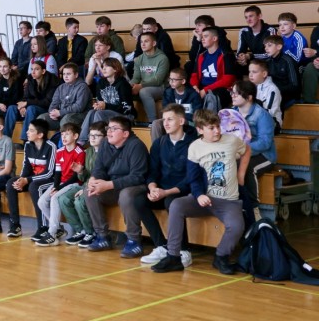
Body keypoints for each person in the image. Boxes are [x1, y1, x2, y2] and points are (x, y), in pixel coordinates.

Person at [152, 109, 249, 274]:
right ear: (200, 129)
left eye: (217, 126)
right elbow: (193, 177)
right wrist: (199, 195)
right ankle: (173, 256)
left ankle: (221, 257)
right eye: (211, 128)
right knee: (176, 205)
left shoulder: (232, 141)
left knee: (236, 226)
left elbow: (246, 150)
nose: (217, 131)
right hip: (204, 199)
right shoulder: (195, 147)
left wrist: (241, 174)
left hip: (229, 201)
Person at [136, 104, 196, 267]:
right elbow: (152, 171)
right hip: (162, 190)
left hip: (183, 191)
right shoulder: (159, 143)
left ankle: (183, 250)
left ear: (181, 121)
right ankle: (161, 246)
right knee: (138, 200)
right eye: (164, 120)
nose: (166, 123)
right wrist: (153, 188)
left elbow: (191, 178)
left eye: (170, 119)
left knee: (172, 203)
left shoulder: (193, 144)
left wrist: (166, 192)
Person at [84, 115, 149, 257]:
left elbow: (137, 177)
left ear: (125, 134)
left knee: (126, 195)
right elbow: (99, 167)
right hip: (113, 186)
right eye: (108, 128)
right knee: (89, 191)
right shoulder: (105, 143)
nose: (109, 132)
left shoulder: (136, 146)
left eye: (114, 129)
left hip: (136, 187)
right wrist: (94, 179)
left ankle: (134, 240)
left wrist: (108, 184)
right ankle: (102, 236)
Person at [230, 79, 276, 219]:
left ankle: (254, 208)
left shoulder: (262, 115)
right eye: (232, 92)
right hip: (238, 153)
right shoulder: (232, 112)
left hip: (264, 155)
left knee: (248, 167)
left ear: (249, 97)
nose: (233, 95)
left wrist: (242, 150)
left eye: (237, 93)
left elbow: (265, 143)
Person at [35, 123, 86, 246]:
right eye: (62, 134)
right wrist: (56, 186)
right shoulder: (59, 151)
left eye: (67, 134)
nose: (63, 137)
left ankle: (52, 234)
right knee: (41, 201)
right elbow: (57, 173)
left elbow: (75, 177)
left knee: (55, 198)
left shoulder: (80, 152)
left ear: (75, 136)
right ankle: (58, 229)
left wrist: (59, 188)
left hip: (74, 184)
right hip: (62, 183)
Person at [5, 118, 56, 240]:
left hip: (49, 180)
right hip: (32, 179)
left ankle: (43, 227)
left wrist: (27, 180)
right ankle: (15, 225)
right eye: (28, 129)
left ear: (40, 135)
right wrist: (22, 179)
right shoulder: (28, 145)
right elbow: (26, 166)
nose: (27, 132)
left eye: (31, 130)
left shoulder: (51, 146)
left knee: (34, 186)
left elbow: (49, 173)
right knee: (11, 183)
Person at [60, 121, 106, 248]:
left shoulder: (107, 152)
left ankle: (90, 232)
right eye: (91, 135)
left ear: (105, 137)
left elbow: (103, 176)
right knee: (63, 198)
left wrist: (85, 188)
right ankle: (80, 230)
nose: (92, 138)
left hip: (97, 187)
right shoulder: (88, 151)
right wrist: (80, 171)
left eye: (96, 135)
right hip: (85, 185)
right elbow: (84, 177)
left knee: (79, 201)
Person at [79, 58, 134, 144]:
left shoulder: (123, 84)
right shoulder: (101, 83)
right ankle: (82, 141)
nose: (103, 69)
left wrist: (106, 106)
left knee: (99, 113)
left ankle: (98, 140)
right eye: (102, 66)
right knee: (91, 112)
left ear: (115, 69)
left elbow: (127, 108)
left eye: (107, 66)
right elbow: (100, 101)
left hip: (125, 116)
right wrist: (97, 105)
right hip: (107, 114)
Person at [4, 60, 57, 141]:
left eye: (36, 69)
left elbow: (47, 102)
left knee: (31, 108)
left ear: (43, 71)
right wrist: (23, 107)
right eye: (32, 69)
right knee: (12, 108)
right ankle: (5, 139)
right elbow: (25, 97)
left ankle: (26, 141)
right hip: (30, 107)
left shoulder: (52, 81)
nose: (33, 72)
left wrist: (27, 103)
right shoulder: (31, 80)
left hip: (44, 109)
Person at [189, 26, 238, 111]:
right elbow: (194, 75)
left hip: (220, 90)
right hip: (202, 88)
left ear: (214, 38)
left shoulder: (226, 55)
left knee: (211, 97)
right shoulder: (201, 56)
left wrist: (206, 90)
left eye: (205, 36)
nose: (202, 39)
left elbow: (228, 80)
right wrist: (195, 86)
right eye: (202, 36)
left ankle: (209, 119)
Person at [150, 67, 202, 140]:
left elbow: (197, 114)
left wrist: (179, 118)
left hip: (188, 121)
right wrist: (173, 118)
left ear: (183, 81)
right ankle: (157, 146)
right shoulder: (168, 92)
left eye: (174, 80)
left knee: (177, 121)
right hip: (171, 119)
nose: (171, 82)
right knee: (156, 124)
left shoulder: (193, 94)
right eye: (170, 79)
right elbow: (165, 110)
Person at [38, 62, 91, 133]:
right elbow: (54, 103)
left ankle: (63, 139)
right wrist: (52, 113)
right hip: (61, 116)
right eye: (64, 74)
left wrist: (60, 112)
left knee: (66, 120)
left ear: (76, 75)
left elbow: (79, 107)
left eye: (68, 74)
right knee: (41, 119)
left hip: (79, 115)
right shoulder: (61, 87)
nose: (65, 76)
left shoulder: (83, 87)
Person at [129, 31, 170, 123]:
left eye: (146, 41)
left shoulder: (162, 58)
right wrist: (129, 85)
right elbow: (136, 78)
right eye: (141, 42)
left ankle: (153, 122)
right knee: (124, 89)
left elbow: (158, 80)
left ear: (154, 43)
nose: (143, 44)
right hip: (143, 86)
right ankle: (128, 120)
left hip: (160, 87)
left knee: (144, 92)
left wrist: (141, 86)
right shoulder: (139, 59)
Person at [264, 34, 300, 104]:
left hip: (288, 95)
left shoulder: (288, 61)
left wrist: (275, 89)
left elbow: (294, 85)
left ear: (279, 47)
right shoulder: (267, 61)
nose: (266, 48)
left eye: (269, 45)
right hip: (273, 94)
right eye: (265, 46)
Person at [248, 59, 282, 130]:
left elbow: (270, 113)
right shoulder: (249, 88)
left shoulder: (272, 89)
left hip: (272, 123)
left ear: (264, 74)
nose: (250, 75)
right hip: (254, 121)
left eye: (254, 72)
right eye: (249, 71)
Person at [301, 13, 319, 103]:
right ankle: (309, 102)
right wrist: (316, 60)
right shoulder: (316, 30)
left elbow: (316, 51)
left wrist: (316, 52)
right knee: (310, 68)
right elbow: (313, 50)